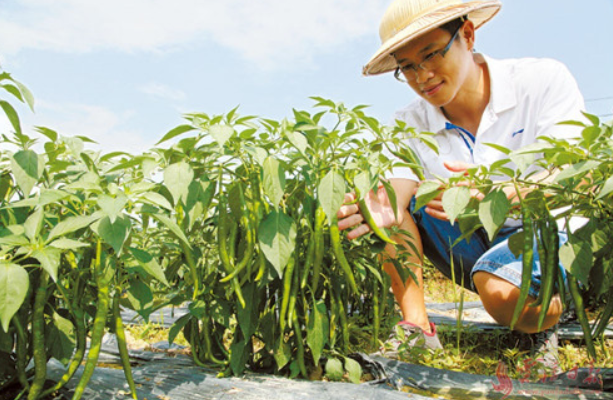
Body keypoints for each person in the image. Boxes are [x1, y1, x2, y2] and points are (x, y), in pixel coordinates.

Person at [336, 0, 585, 367]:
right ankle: (416, 329)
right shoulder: (410, 121)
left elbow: (575, 173)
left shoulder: (540, 81)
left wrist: (500, 196)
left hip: (544, 234)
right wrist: (381, 206)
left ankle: (539, 324)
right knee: (400, 205)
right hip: (470, 244)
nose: (422, 76)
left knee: (502, 292)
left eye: (432, 54)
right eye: (407, 67)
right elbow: (398, 186)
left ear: (467, 35)